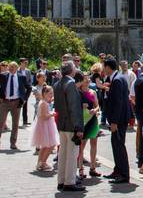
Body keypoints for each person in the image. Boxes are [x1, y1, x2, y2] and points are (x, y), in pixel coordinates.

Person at [53, 61, 85, 192]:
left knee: (63, 154)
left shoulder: (57, 84)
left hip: (62, 123)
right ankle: (70, 181)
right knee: (72, 154)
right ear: (72, 70)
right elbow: (74, 107)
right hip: (71, 124)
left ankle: (61, 180)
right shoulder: (71, 83)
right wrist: (78, 127)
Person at [102, 56, 132, 184]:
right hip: (119, 118)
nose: (103, 69)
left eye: (104, 66)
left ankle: (124, 174)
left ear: (108, 67)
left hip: (119, 119)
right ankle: (117, 170)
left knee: (119, 145)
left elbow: (118, 102)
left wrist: (114, 122)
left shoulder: (117, 80)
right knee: (116, 144)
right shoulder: (118, 78)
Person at [0, 61, 28, 150]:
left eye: (14, 67)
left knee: (15, 124)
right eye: (10, 67)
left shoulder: (21, 77)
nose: (11, 68)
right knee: (0, 123)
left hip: (16, 102)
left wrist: (24, 99)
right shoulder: (3, 76)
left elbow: (29, 87)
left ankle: (13, 143)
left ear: (17, 68)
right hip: (5, 102)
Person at [77, 71, 101, 179]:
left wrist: (95, 110)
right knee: (81, 145)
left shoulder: (93, 92)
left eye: (88, 79)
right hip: (82, 120)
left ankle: (93, 168)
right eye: (85, 79)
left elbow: (97, 106)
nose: (87, 80)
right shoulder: (78, 92)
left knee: (94, 143)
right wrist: (81, 106)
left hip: (92, 120)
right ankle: (81, 169)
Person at [32, 85, 61, 172]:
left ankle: (40, 162)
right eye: (50, 93)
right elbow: (44, 116)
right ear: (44, 94)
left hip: (46, 125)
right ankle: (43, 162)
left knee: (45, 145)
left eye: (52, 93)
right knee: (50, 145)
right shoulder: (44, 103)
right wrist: (52, 114)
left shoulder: (44, 102)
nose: (52, 95)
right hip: (45, 125)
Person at [18, 58, 34, 126]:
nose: (26, 64)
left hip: (26, 90)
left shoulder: (28, 71)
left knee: (25, 105)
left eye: (26, 63)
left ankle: (25, 121)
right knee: (18, 106)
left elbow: (30, 80)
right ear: (21, 63)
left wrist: (28, 87)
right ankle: (16, 120)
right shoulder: (17, 71)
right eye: (25, 62)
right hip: (19, 91)